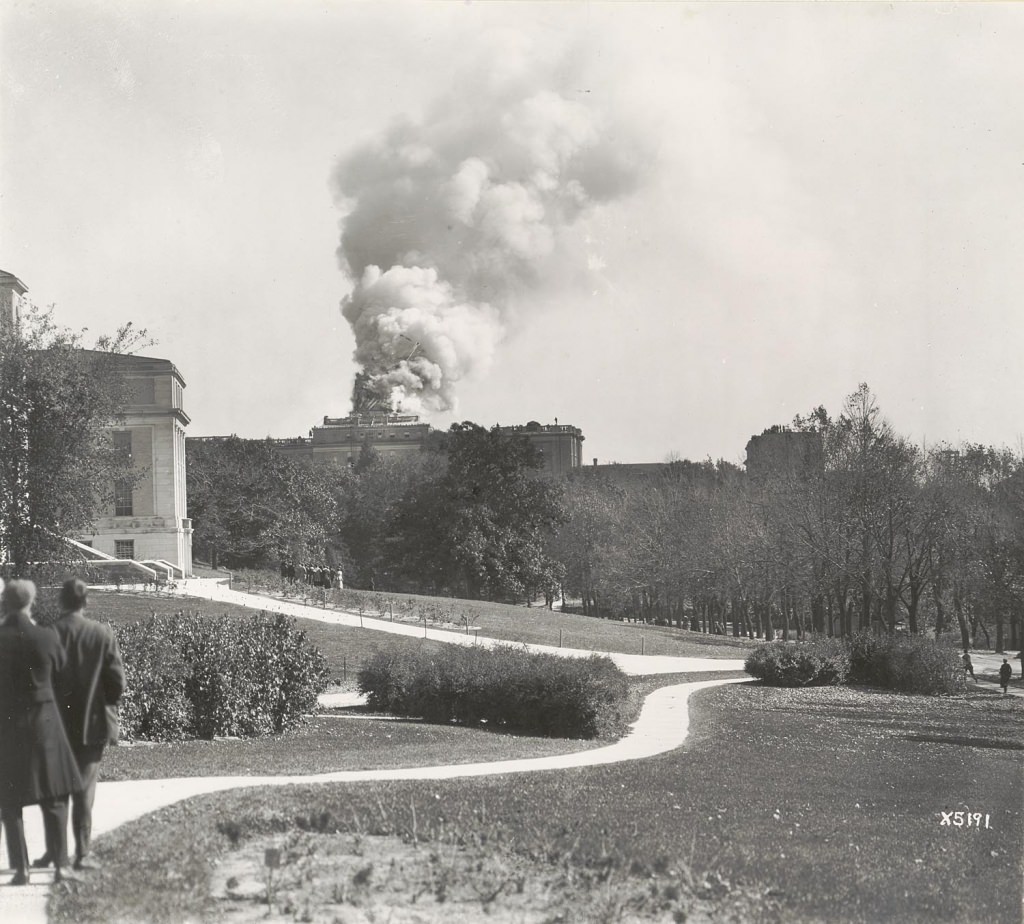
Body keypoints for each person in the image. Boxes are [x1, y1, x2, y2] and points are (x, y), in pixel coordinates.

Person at [32, 579, 125, 872]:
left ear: (61, 602)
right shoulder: (101, 633)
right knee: (85, 790)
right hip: (92, 722)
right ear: (86, 602)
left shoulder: (47, 634)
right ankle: (82, 852)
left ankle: (54, 852)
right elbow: (117, 682)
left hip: (53, 723)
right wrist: (102, 705)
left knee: (53, 791)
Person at [0, 579, 82, 885]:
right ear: (31, 602)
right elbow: (64, 678)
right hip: (45, 721)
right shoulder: (46, 637)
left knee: (10, 801)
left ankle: (20, 868)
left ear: (4, 602)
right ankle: (60, 865)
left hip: (6, 725)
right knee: (55, 796)